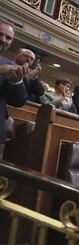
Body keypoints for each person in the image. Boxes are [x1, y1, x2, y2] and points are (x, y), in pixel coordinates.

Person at [0, 18, 28, 158]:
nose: (3, 40)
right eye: (0, 34)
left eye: (8, 38)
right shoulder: (5, 66)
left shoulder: (8, 64)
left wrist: (15, 82)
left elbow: (19, 101)